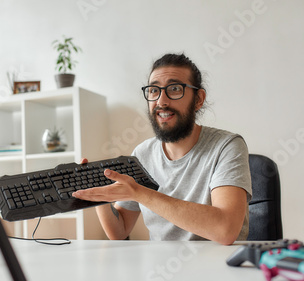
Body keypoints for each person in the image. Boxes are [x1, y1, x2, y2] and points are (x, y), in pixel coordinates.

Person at [72, 53, 252, 245]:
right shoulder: (142, 155)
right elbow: (120, 230)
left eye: (174, 89)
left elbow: (225, 230)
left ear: (198, 99)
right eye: (153, 91)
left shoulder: (227, 146)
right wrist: (100, 195)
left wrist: (139, 192)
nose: (161, 101)